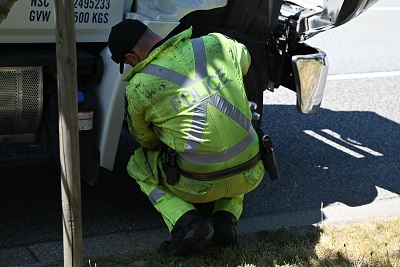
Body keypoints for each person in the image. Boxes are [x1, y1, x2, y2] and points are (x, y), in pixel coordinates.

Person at [108, 19, 266, 256]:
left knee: (138, 165)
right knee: (234, 140)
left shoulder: (140, 87)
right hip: (251, 172)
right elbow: (244, 61)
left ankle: (186, 222)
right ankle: (226, 218)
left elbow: (147, 141)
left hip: (196, 185)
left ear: (131, 56)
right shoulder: (217, 44)